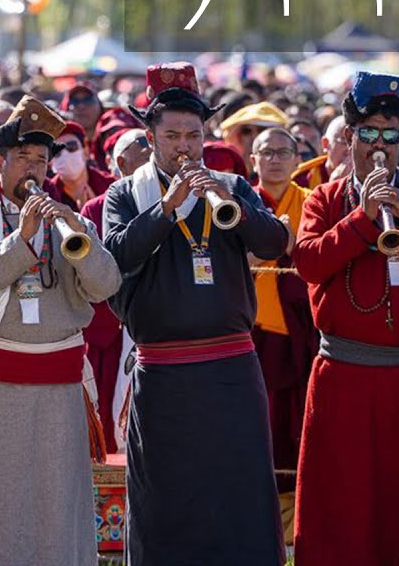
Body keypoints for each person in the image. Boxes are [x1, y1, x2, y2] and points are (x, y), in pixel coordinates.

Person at [103, 62, 289, 566]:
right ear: (150, 138)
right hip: (163, 373)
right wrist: (167, 208)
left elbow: (274, 243)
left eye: (193, 135)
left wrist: (234, 205)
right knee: (165, 496)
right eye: (172, 136)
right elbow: (115, 257)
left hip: (231, 367)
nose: (184, 147)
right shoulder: (126, 193)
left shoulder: (230, 184)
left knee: (239, 490)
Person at [290, 73, 399, 566]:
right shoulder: (325, 199)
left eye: (390, 134)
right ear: (350, 137)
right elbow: (308, 264)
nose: (379, 145)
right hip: (346, 376)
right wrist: (362, 219)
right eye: (368, 133)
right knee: (342, 504)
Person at [0, 96, 121, 565]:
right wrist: (21, 238)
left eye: (41, 160)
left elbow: (106, 287)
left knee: (57, 499)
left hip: (59, 385)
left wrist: (80, 240)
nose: (33, 168)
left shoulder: (68, 221)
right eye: (22, 157)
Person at [249, 127, 316, 545]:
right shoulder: (240, 203)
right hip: (254, 330)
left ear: (296, 158)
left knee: (298, 422)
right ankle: (260, 515)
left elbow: (318, 255)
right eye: (266, 152)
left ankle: (299, 519)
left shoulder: (311, 201)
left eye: (282, 152)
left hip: (302, 332)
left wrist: (292, 245)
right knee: (260, 422)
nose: (274, 159)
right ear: (252, 159)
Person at [80, 128, 150, 452]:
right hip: (110, 328)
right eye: (145, 155)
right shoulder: (95, 209)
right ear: (121, 162)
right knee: (108, 418)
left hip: (154, 322)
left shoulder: (171, 202)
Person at [48, 121, 114, 210]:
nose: (65, 155)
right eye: (57, 151)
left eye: (71, 146)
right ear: (49, 160)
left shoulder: (111, 185)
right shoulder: (47, 195)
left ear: (86, 150)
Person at [293, 115, 347, 188]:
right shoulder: (302, 179)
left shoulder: (363, 176)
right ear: (325, 144)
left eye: (356, 143)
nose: (351, 150)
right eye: (344, 142)